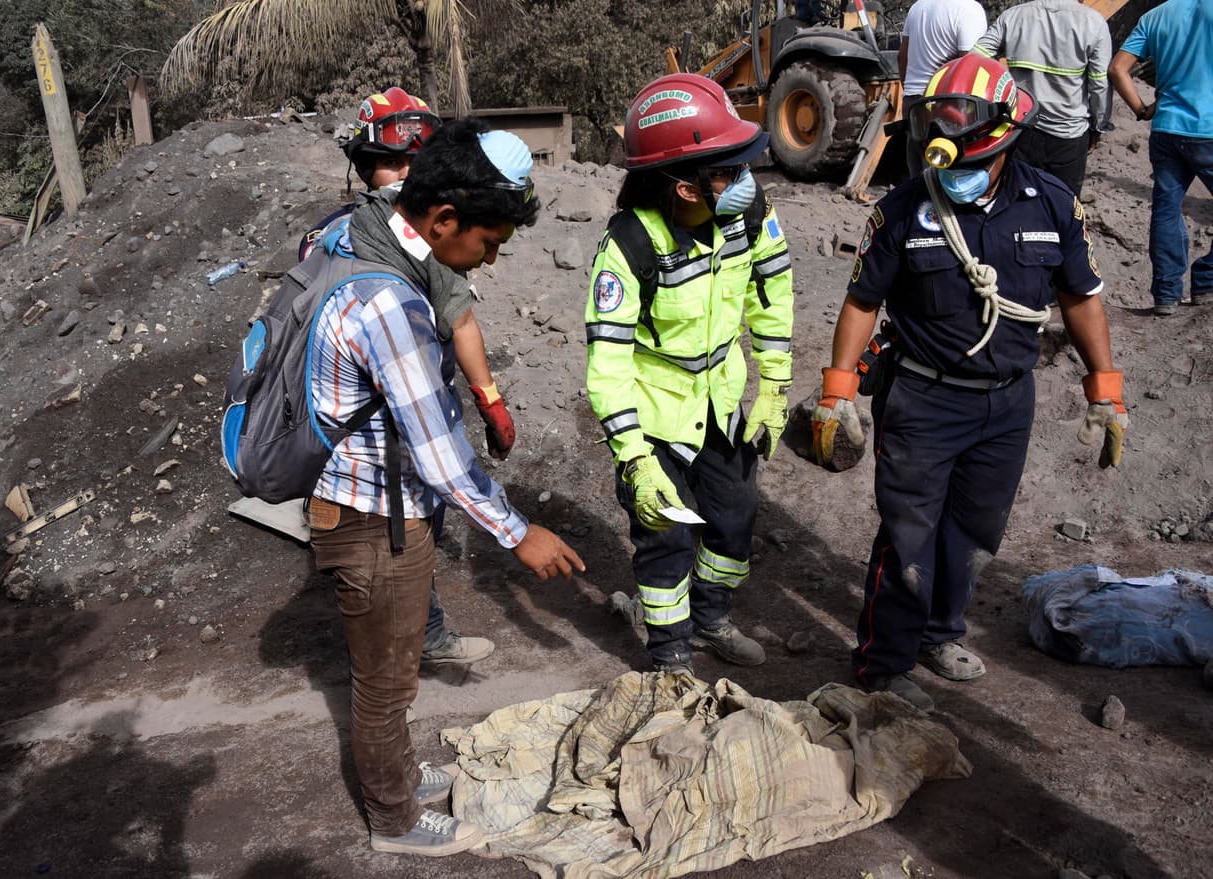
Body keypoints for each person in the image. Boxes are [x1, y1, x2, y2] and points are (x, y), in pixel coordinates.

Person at [813, 55, 1126, 712]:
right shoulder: (902, 210)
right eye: (936, 115)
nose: (941, 130)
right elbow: (864, 300)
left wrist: (1106, 387)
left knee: (973, 531)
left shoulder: (1053, 205)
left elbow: (1082, 297)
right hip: (922, 399)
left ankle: (938, 633)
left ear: (1003, 129)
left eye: (958, 118)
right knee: (908, 534)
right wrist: (837, 389)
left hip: (1008, 403)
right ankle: (883, 663)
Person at [306, 117, 585, 856]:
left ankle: (395, 771)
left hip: (372, 503)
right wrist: (518, 532)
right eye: (487, 243)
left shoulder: (365, 245)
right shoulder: (389, 304)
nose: (488, 261)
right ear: (444, 218)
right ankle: (394, 819)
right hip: (371, 515)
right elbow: (438, 455)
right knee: (386, 678)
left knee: (392, 665)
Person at [584, 73, 796, 675]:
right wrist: (633, 457)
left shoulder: (749, 211)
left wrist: (774, 386)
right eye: (729, 167)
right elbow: (608, 361)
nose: (747, 180)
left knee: (734, 521)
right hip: (656, 414)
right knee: (665, 536)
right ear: (684, 185)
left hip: (722, 402)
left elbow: (771, 293)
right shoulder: (630, 243)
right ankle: (671, 651)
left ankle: (711, 618)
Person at [305, 87, 514, 670]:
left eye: (412, 163)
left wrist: (489, 397)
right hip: (374, 439)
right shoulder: (360, 243)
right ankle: (413, 643)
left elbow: (461, 320)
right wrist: (517, 533)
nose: (401, 174)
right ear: (367, 167)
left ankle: (409, 633)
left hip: (366, 432)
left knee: (406, 532)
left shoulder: (349, 237)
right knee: (401, 533)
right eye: (391, 163)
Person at [1108, 0, 1213, 316]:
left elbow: (1116, 69)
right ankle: (1207, 280)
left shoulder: (1155, 15)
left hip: (1166, 129)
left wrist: (1141, 109)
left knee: (1167, 210)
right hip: (1208, 130)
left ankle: (1166, 294)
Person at [972, 0, 1112, 195]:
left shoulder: (1014, 16)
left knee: (1015, 201)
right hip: (1068, 135)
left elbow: (975, 58)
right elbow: (1100, 85)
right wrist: (1098, 126)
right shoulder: (1094, 23)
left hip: (1020, 128)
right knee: (1063, 207)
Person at [899, 0, 988, 175]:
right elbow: (971, 66)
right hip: (946, 104)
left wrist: (910, 93)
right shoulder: (968, 9)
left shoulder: (918, 7)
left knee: (918, 177)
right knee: (949, 178)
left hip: (913, 101)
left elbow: (903, 57)